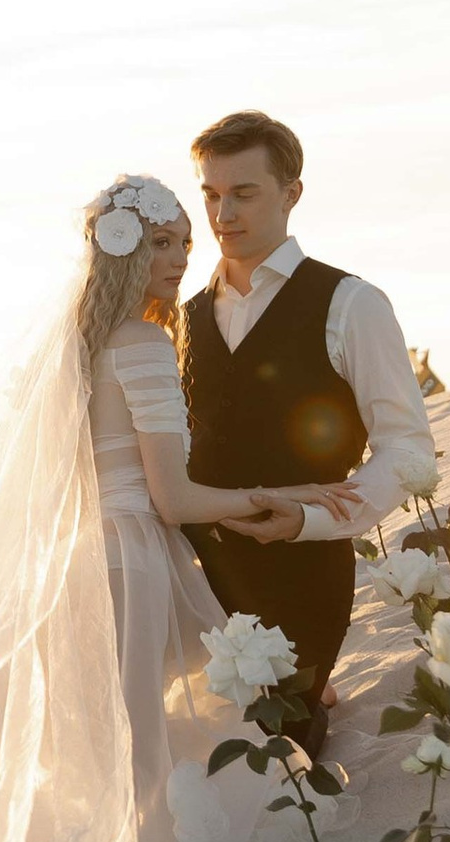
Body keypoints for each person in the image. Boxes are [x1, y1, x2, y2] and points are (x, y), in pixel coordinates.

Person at [177, 109, 435, 755]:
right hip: (191, 583)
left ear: (291, 193)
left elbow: (406, 449)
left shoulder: (352, 304)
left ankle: (311, 694)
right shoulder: (180, 320)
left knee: (275, 760)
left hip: (301, 583)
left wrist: (309, 519)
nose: (222, 213)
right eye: (210, 194)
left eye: (243, 193)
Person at [77, 172, 310, 842]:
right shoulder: (142, 343)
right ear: (122, 251)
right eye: (159, 243)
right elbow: (173, 500)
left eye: (184, 241)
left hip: (82, 554)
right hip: (133, 553)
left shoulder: (80, 346)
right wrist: (276, 501)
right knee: (147, 735)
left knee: (111, 731)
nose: (181, 257)